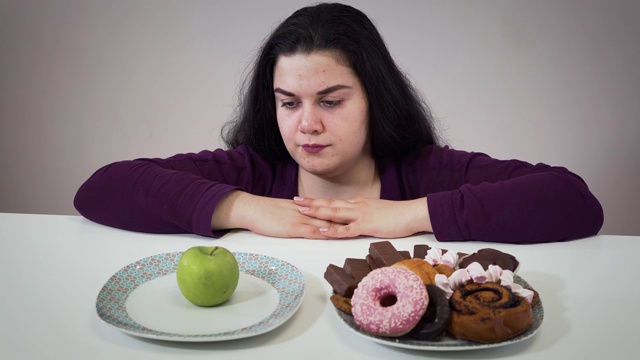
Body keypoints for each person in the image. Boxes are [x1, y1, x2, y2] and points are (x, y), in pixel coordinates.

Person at [74, 3, 603, 244]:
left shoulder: (426, 170)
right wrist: (247, 209)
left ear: (376, 98)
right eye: (288, 102)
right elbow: (101, 187)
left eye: (330, 101)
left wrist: (409, 215)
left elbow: (574, 200)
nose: (306, 126)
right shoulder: (252, 169)